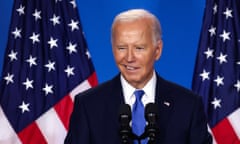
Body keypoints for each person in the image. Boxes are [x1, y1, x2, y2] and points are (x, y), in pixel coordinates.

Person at [64, 9, 212, 144]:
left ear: (157, 50)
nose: (129, 58)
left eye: (139, 48)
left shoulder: (188, 105)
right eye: (121, 48)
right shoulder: (88, 105)